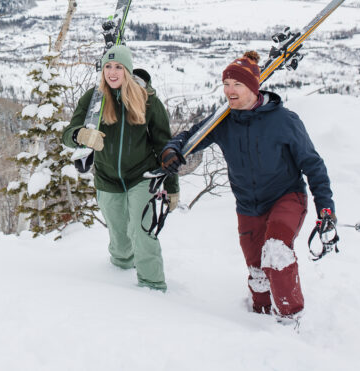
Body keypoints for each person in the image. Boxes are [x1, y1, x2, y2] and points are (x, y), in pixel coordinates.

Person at [159, 50, 335, 322]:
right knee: (257, 270)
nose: (229, 91)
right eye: (226, 84)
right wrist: (171, 150)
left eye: (237, 85)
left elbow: (313, 166)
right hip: (248, 205)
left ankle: (290, 318)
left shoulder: (284, 121)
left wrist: (326, 209)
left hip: (286, 197)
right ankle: (260, 320)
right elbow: (190, 136)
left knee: (276, 250)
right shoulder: (223, 121)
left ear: (253, 88)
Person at [63, 44, 178, 292]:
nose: (112, 72)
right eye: (108, 67)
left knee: (142, 230)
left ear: (127, 69)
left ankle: (153, 285)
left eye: (118, 67)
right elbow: (67, 134)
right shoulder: (93, 98)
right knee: (120, 239)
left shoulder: (147, 100)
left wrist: (172, 186)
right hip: (107, 178)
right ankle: (119, 273)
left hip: (142, 176)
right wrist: (80, 135)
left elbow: (164, 146)